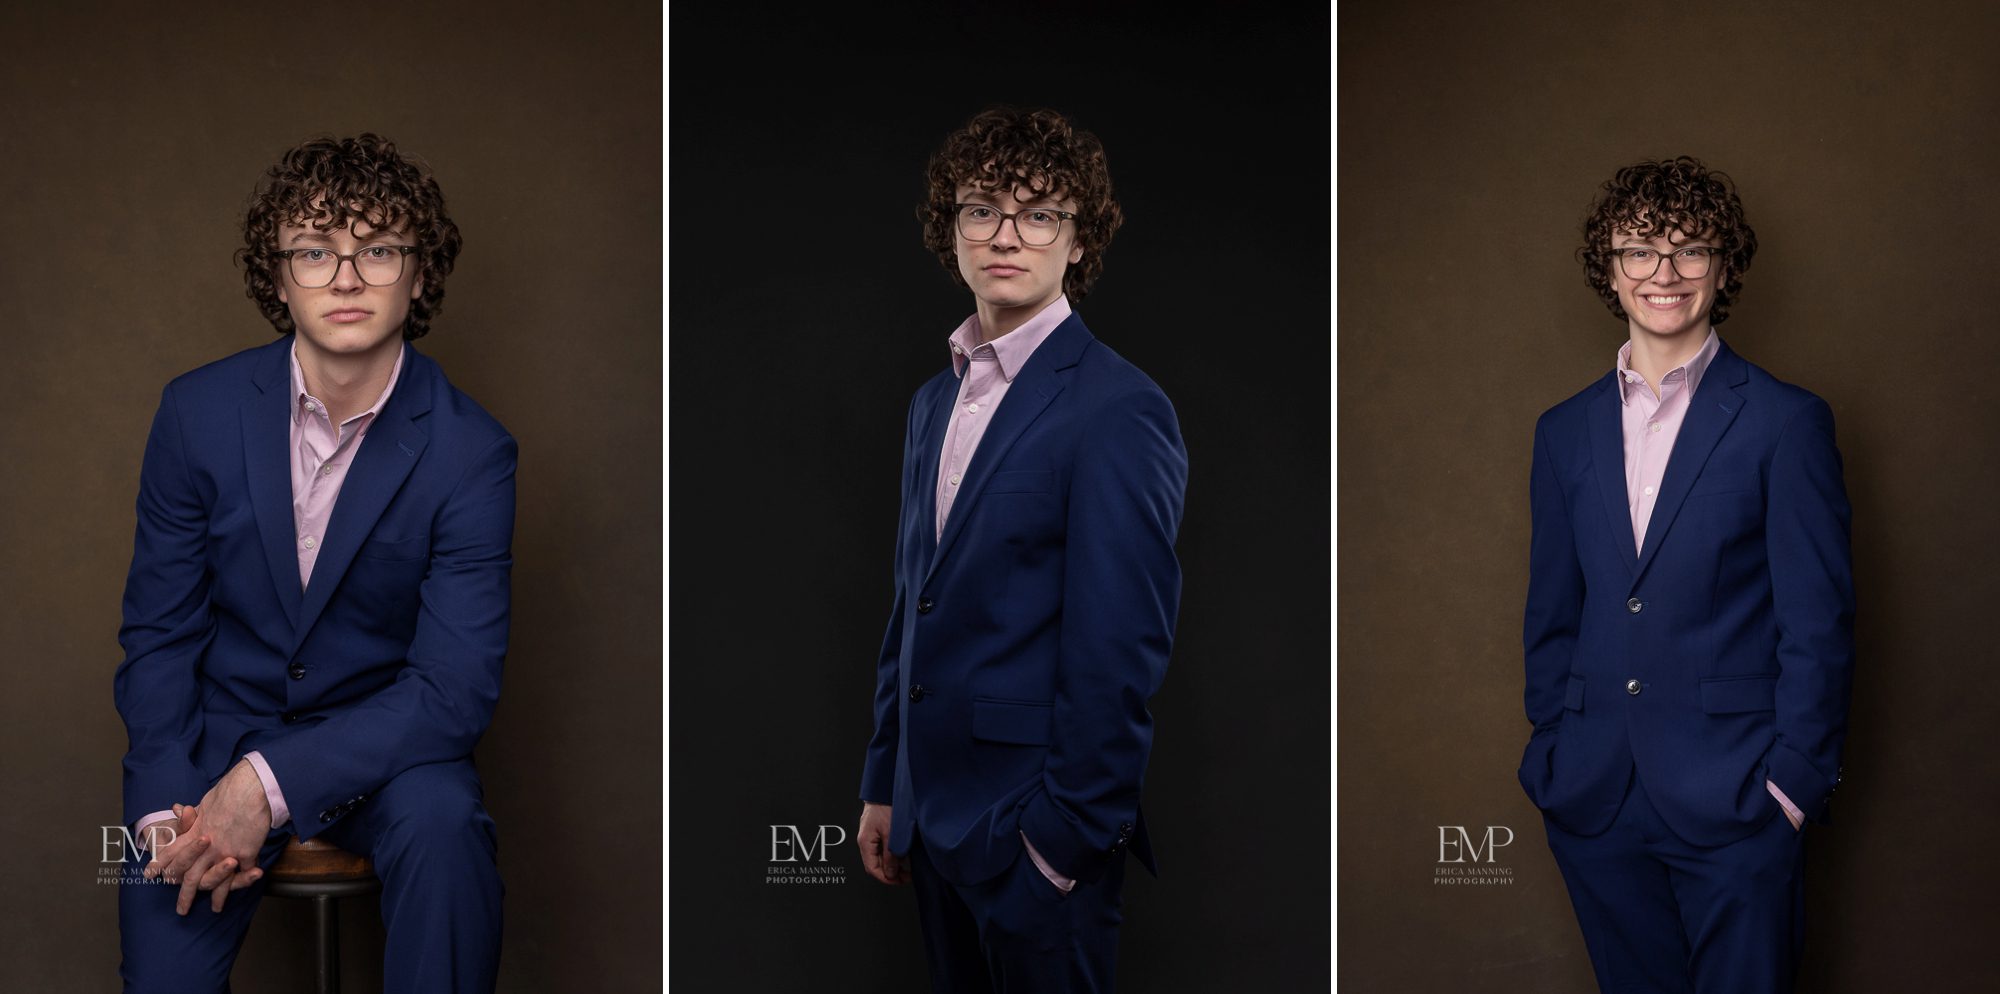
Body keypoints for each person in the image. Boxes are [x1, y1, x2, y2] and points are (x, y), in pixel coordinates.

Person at [114, 133, 512, 993]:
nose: (345, 277)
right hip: (209, 746)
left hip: (386, 753)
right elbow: (159, 634)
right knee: (160, 970)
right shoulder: (195, 413)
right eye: (314, 251)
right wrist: (162, 807)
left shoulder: (473, 453)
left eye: (377, 250)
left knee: (448, 830)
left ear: (419, 271)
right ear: (279, 272)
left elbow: (453, 691)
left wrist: (266, 786)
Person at [854, 107, 1188, 994]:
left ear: (1078, 242)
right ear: (950, 230)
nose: (1007, 235)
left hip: (1035, 841)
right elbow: (912, 605)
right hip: (931, 818)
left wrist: (1061, 843)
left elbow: (1122, 647)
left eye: (1039, 214)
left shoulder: (1120, 407)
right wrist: (887, 783)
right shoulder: (935, 401)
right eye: (981, 209)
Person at [1517, 156, 1854, 993]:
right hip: (1595, 797)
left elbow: (1819, 622)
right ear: (1610, 267)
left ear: (1723, 265)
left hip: (1740, 797)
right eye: (1640, 250)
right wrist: (1551, 759)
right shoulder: (1562, 432)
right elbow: (1554, 613)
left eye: (1690, 250)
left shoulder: (1786, 422)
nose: (1664, 274)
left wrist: (1790, 788)